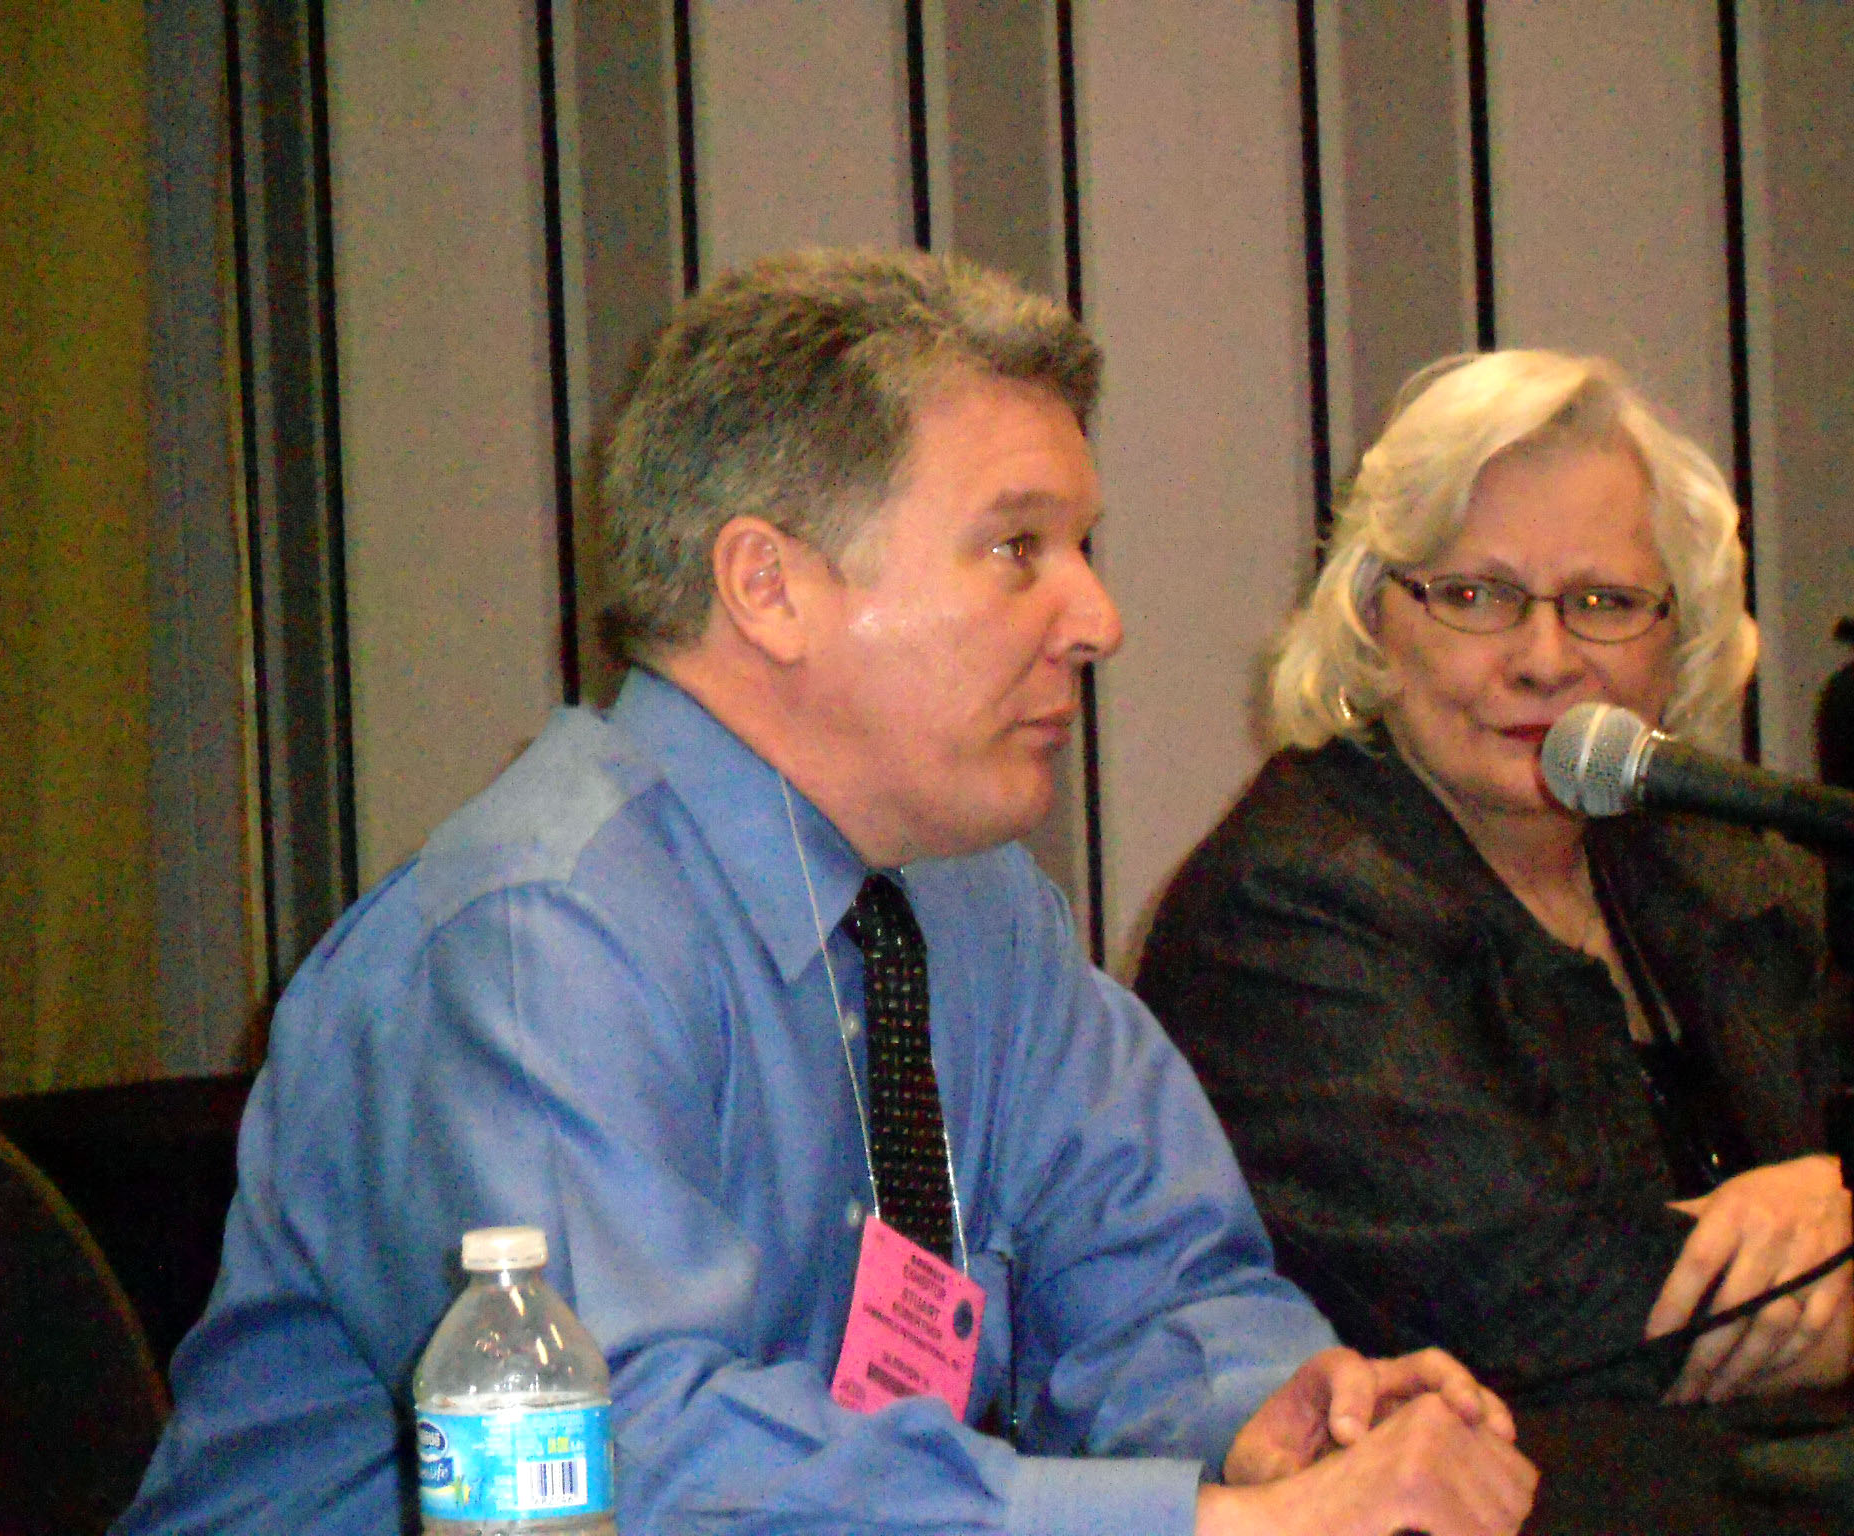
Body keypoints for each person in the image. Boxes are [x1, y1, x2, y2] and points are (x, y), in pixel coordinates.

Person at [115, 251, 1535, 1536]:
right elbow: (628, 1465)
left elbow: (1155, 1284)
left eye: (1082, 549)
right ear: (768, 587)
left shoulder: (976, 908)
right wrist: (1211, 1528)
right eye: (1018, 549)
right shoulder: (534, 941)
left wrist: (1274, 1413)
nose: (1098, 620)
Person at [1137, 349, 1854, 1406]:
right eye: (1475, 596)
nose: (1543, 658)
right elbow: (1563, 1321)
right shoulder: (1287, 908)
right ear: (1372, 616)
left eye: (1603, 601)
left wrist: (1835, 1206)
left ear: (1678, 637)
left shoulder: (1714, 868)